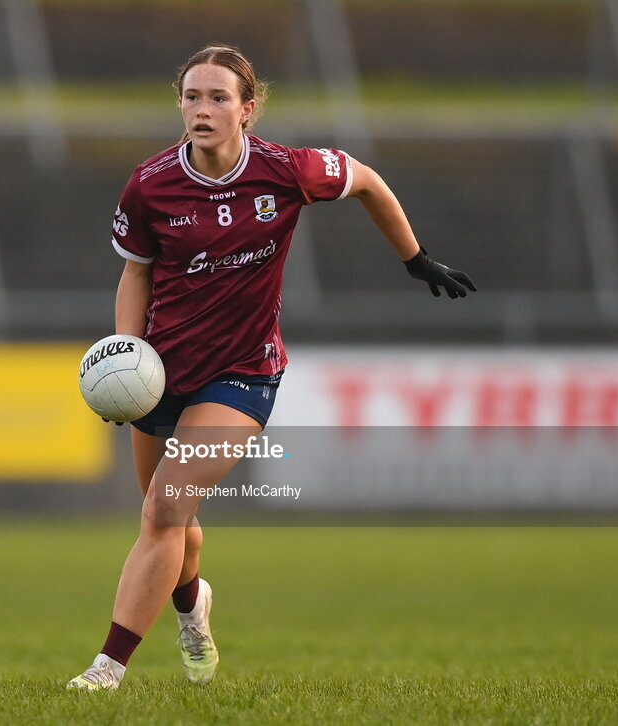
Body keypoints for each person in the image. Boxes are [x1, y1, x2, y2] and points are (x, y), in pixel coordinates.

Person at [67, 44, 475, 691]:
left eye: (218, 97)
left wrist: (415, 257)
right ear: (179, 103)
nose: (203, 108)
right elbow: (136, 272)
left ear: (247, 109)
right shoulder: (150, 184)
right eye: (192, 96)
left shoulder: (287, 171)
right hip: (163, 374)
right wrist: (128, 355)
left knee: (163, 511)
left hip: (242, 374)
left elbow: (365, 178)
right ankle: (193, 607)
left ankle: (106, 668)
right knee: (174, 523)